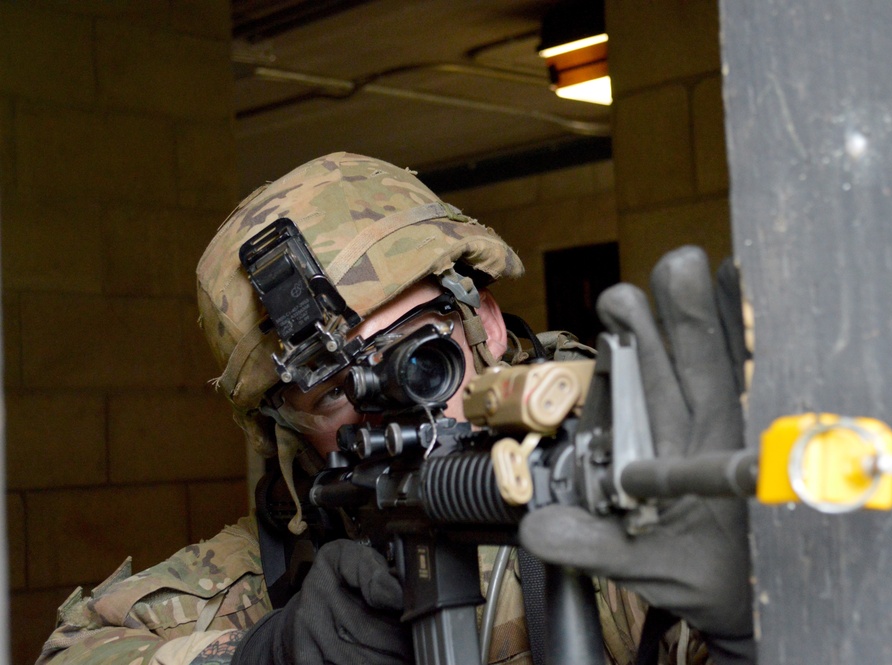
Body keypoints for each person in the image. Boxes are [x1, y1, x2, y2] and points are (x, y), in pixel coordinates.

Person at [36, 151, 752, 665]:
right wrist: (266, 652)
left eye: (416, 349)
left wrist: (762, 618)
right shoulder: (284, 560)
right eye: (331, 388)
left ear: (487, 321)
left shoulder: (626, 473)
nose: (385, 399)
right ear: (284, 430)